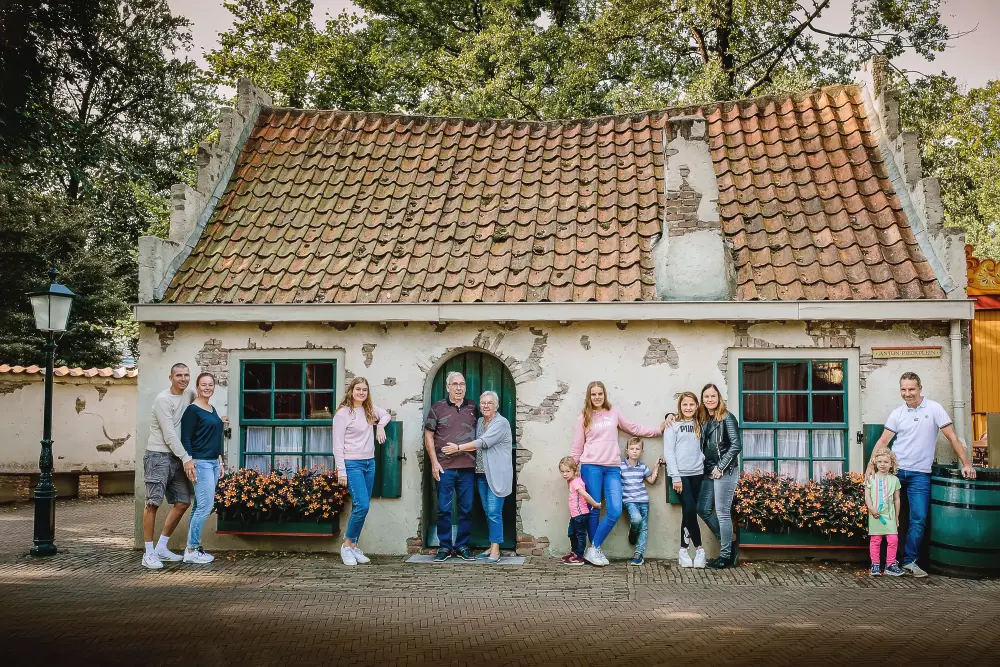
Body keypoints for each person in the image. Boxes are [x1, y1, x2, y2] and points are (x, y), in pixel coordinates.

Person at [868, 372, 976, 578]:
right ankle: (887, 562)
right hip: (894, 473)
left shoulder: (934, 409)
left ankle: (909, 561)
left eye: (911, 389)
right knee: (887, 514)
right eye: (903, 389)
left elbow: (952, 437)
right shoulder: (897, 413)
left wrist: (966, 463)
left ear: (920, 388)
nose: (907, 393)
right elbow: (883, 442)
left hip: (920, 474)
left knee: (918, 518)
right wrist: (870, 467)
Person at [571, 381, 664, 566]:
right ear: (589, 396)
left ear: (604, 394)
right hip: (591, 466)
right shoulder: (583, 417)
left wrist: (658, 430)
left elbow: (633, 428)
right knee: (594, 509)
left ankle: (593, 549)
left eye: (600, 393)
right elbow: (577, 446)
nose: (597, 397)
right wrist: (573, 471)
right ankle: (595, 549)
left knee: (615, 509)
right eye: (593, 394)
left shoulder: (613, 412)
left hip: (612, 467)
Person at [442, 390, 513, 563]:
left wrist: (458, 448)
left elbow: (482, 442)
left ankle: (496, 549)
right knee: (488, 511)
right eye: (483, 403)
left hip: (497, 474)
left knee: (494, 512)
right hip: (481, 474)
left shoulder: (501, 423)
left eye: (490, 403)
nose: (486, 406)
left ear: (496, 406)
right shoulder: (480, 421)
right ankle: (492, 545)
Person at [141, 362, 195, 570]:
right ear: (170, 377)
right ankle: (148, 553)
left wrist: (218, 419)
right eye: (179, 375)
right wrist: (186, 458)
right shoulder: (163, 400)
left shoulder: (189, 394)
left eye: (186, 375)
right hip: (158, 456)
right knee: (152, 503)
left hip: (177, 457)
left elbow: (201, 407)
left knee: (182, 501)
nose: (183, 378)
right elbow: (169, 434)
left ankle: (162, 547)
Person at [333, 376, 391, 567]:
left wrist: (380, 426)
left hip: (369, 463)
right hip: (352, 464)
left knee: (361, 506)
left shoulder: (369, 409)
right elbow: (337, 445)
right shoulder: (343, 414)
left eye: (364, 390)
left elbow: (386, 415)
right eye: (358, 389)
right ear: (351, 391)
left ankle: (354, 545)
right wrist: (342, 471)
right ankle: (346, 546)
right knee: (362, 505)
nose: (361, 392)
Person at [424, 371, 479, 562]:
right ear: (448, 387)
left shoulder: (473, 407)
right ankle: (445, 547)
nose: (459, 388)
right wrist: (434, 463)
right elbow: (429, 435)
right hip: (444, 467)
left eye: (462, 384)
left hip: (468, 467)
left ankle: (463, 546)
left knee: (466, 509)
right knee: (444, 509)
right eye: (455, 384)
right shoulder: (438, 408)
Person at [180, 372, 225, 565]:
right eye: (203, 384)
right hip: (200, 463)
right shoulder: (192, 410)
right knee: (205, 506)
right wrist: (188, 461)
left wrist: (220, 460)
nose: (207, 387)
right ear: (197, 388)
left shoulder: (211, 409)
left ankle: (191, 548)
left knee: (199, 506)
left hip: (213, 462)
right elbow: (185, 437)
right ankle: (192, 549)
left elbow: (214, 437)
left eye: (210, 384)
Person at [696, 383, 742, 570]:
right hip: (709, 470)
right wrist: (669, 416)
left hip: (726, 470)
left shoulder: (727, 417)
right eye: (706, 396)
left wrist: (721, 467)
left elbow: (736, 445)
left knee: (722, 512)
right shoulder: (704, 418)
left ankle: (725, 556)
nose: (710, 399)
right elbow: (684, 415)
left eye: (713, 396)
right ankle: (729, 546)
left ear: (719, 397)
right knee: (702, 509)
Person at [664, 392, 707, 569]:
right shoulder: (672, 424)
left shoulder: (700, 423)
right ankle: (700, 549)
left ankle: (683, 550)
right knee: (689, 509)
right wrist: (675, 476)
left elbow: (702, 446)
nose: (688, 408)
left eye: (691, 404)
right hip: (680, 475)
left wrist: (702, 457)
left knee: (688, 513)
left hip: (697, 473)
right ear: (679, 406)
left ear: (696, 406)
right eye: (685, 405)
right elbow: (669, 452)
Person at [620, 437, 662, 566]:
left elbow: (651, 480)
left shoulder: (642, 466)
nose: (634, 451)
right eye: (632, 448)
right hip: (629, 501)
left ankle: (639, 554)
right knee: (636, 519)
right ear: (627, 451)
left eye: (637, 449)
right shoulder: (621, 466)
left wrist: (656, 467)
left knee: (643, 527)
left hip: (643, 500)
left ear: (642, 451)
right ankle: (633, 532)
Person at [866, 446, 904, 577]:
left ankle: (890, 565)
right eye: (880, 461)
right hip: (875, 514)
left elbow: (897, 499)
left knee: (893, 539)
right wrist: (871, 508)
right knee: (875, 539)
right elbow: (867, 496)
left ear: (891, 464)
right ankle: (875, 564)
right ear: (875, 462)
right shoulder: (871, 478)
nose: (882, 464)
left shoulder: (895, 480)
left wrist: (897, 516)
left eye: (886, 462)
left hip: (890, 515)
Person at [559, 457, 600, 565]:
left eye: (567, 471)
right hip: (575, 515)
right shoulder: (571, 481)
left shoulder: (576, 482)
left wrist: (595, 504)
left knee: (580, 535)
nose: (564, 474)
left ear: (574, 470)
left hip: (580, 514)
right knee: (571, 533)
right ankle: (574, 552)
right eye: (562, 471)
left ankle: (579, 556)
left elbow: (585, 495)